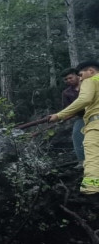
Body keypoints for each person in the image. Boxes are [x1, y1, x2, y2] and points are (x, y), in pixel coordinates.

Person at [49, 60, 99, 194]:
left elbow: (84, 100)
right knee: (78, 133)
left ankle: (92, 189)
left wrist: (59, 115)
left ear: (91, 72)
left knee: (92, 154)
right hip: (82, 117)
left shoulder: (89, 81)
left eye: (80, 75)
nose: (81, 77)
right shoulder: (67, 92)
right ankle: (80, 161)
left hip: (95, 120)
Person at [61, 68, 85, 163]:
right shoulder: (66, 93)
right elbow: (67, 109)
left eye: (70, 78)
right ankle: (82, 161)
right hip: (82, 117)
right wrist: (61, 118)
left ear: (77, 76)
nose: (68, 81)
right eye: (66, 79)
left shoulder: (89, 85)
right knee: (76, 135)